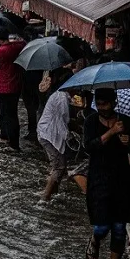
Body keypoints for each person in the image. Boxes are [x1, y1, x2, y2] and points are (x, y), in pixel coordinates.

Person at [83, 87, 130, 259]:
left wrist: (128, 143)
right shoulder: (91, 121)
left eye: (106, 104)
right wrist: (111, 132)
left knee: (119, 226)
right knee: (102, 225)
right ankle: (95, 238)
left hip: (121, 178)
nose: (102, 108)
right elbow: (89, 147)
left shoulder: (126, 122)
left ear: (114, 103)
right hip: (99, 178)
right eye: (99, 105)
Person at [36, 68, 73, 201]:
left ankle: (53, 191)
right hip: (49, 134)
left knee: (59, 164)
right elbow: (65, 118)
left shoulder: (60, 95)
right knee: (59, 165)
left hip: (48, 132)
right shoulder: (61, 97)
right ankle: (46, 196)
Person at [0, 28, 25, 151]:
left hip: (3, 87)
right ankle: (13, 140)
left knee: (6, 115)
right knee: (13, 114)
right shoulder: (16, 48)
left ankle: (12, 143)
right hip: (16, 86)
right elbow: (22, 43)